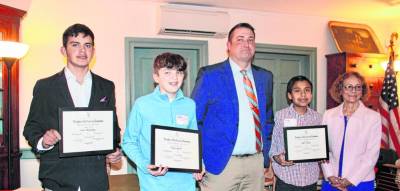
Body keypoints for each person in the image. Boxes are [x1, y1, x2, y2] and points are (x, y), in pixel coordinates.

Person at [23, 23, 122, 191]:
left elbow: (112, 129)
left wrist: (114, 150)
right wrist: (43, 142)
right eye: (75, 44)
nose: (82, 51)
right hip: (57, 180)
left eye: (87, 45)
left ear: (93, 50)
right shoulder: (45, 86)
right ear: (63, 50)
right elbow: (31, 127)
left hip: (96, 181)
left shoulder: (106, 86)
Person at [191, 22, 274, 191]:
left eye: (251, 39)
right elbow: (194, 120)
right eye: (240, 39)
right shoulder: (210, 75)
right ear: (229, 46)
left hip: (255, 165)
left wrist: (265, 158)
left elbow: (267, 120)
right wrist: (195, 159)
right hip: (220, 164)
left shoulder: (265, 77)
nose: (246, 44)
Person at [122, 52, 202, 191]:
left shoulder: (190, 105)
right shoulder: (142, 104)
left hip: (185, 184)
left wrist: (198, 164)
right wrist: (145, 164)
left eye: (179, 72)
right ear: (156, 77)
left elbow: (193, 140)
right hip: (154, 184)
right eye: (167, 72)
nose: (174, 77)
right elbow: (128, 142)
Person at [321, 72, 381, 191]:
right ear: (340, 90)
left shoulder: (373, 117)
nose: (353, 91)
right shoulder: (328, 114)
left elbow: (371, 155)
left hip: (361, 182)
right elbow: (323, 150)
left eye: (358, 87)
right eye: (349, 86)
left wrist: (351, 180)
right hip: (332, 181)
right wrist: (330, 175)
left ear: (362, 91)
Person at [269, 75, 322, 191]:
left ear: (311, 94)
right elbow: (272, 148)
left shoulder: (318, 118)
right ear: (290, 96)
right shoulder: (280, 116)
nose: (303, 95)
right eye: (297, 91)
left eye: (307, 90)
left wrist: (322, 153)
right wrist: (278, 159)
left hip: (311, 181)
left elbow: (321, 146)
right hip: (286, 181)